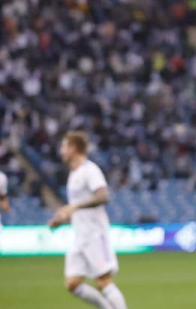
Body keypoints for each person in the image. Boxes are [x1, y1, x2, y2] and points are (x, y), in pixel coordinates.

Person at [48, 131, 129, 309]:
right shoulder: (74, 175)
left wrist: (74, 207)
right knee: (72, 283)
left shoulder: (90, 170)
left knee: (103, 281)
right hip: (80, 236)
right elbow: (78, 208)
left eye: (64, 146)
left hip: (95, 234)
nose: (61, 151)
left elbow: (103, 196)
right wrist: (63, 218)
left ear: (73, 148)